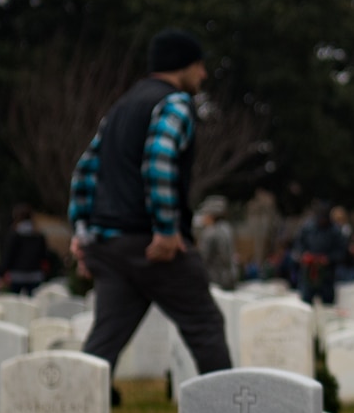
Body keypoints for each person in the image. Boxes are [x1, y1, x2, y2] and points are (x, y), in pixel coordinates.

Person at [66, 29, 232, 374]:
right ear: (182, 65)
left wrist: (83, 234)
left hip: (111, 246)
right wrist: (166, 230)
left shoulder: (121, 106)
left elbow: (84, 172)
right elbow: (159, 160)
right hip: (152, 246)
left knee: (105, 341)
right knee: (206, 327)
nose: (202, 75)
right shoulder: (174, 103)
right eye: (199, 66)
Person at [293, 201, 348, 305]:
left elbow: (341, 252)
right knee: (306, 303)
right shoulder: (308, 228)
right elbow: (298, 245)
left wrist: (328, 259)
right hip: (309, 272)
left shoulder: (335, 231)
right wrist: (304, 255)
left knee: (328, 304)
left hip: (327, 274)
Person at [0, 204, 51, 294]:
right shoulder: (38, 236)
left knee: (15, 303)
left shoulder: (14, 235)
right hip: (35, 275)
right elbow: (44, 256)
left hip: (16, 275)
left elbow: (9, 255)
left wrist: (3, 271)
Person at [195, 195, 239, 289]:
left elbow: (202, 259)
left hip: (215, 280)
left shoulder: (210, 232)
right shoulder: (227, 228)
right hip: (231, 277)